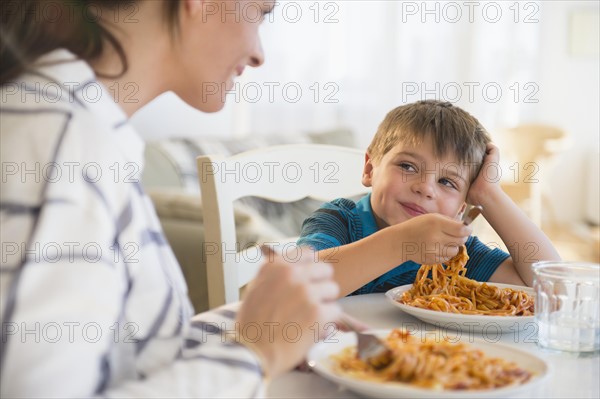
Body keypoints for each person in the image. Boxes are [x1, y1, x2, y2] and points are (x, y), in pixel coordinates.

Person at [0, 1, 343, 397]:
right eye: (261, 11)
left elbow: (132, 358)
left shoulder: (81, 130)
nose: (259, 54)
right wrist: (254, 354)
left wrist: (269, 323)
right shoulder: (64, 143)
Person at [297, 100, 561, 297]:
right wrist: (403, 244)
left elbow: (550, 287)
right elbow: (298, 285)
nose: (425, 188)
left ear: (461, 206)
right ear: (369, 169)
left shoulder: (454, 250)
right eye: (407, 166)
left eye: (447, 182)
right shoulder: (339, 220)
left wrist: (489, 196)